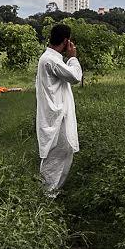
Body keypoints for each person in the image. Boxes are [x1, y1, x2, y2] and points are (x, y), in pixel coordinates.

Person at [35, 24, 82, 198]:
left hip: (56, 116)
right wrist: (73, 58)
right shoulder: (51, 60)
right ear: (65, 41)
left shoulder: (50, 59)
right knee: (55, 155)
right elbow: (75, 77)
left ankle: (51, 192)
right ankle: (47, 195)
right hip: (56, 118)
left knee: (64, 152)